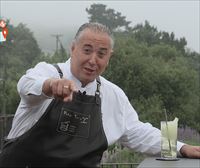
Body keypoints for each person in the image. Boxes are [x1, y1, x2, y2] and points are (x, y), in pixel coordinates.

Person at [0, 22, 199, 167]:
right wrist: (50, 86)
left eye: (101, 54)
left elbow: (138, 132)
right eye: (87, 50)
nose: (93, 60)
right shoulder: (48, 72)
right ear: (73, 48)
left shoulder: (112, 94)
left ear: (109, 57)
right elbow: (26, 85)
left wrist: (181, 147)